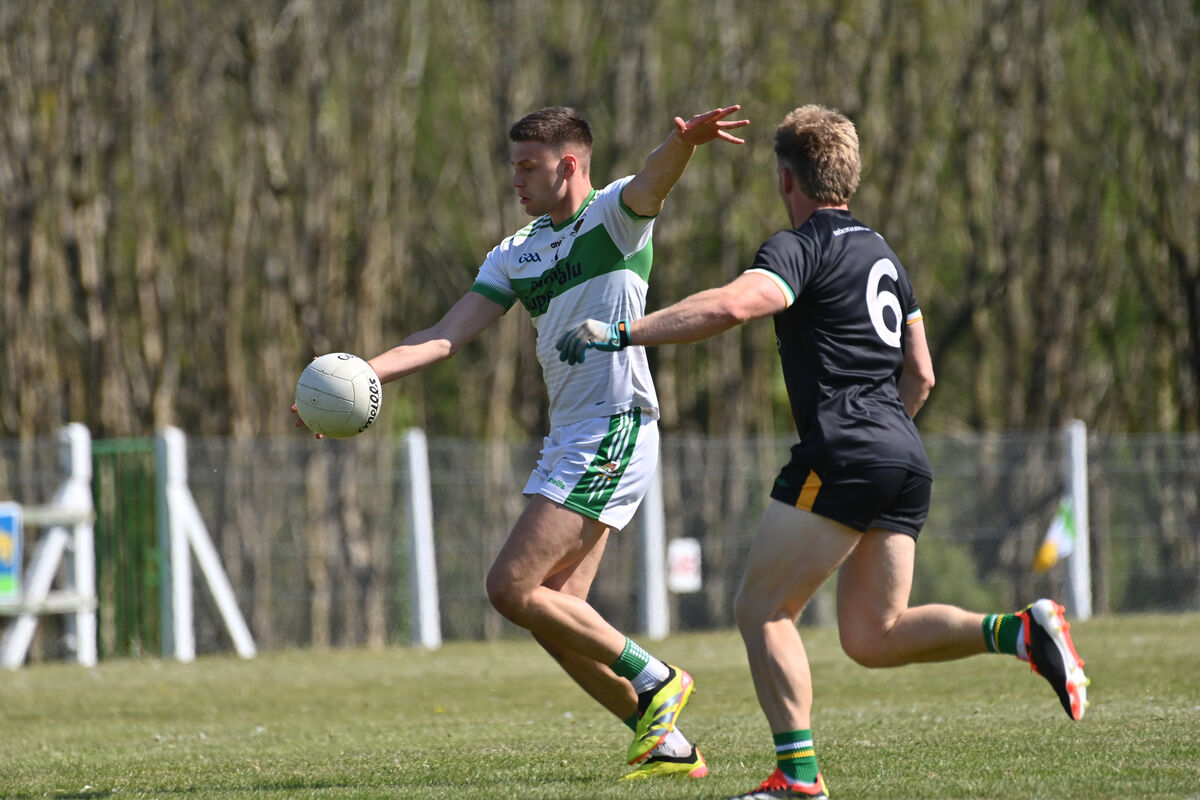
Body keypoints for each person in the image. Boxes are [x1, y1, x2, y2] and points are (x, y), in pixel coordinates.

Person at [556, 104, 1090, 799]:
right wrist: (885, 430)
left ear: (786, 179)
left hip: (844, 448)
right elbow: (921, 373)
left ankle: (798, 778)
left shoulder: (799, 245)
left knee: (762, 610)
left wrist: (621, 333)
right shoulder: (885, 255)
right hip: (903, 452)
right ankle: (1021, 631)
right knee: (874, 634)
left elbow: (734, 306)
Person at [298, 104, 749, 779]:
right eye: (514, 166)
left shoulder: (615, 219)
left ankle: (656, 677)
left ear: (570, 165)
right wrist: (365, 373)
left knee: (509, 587)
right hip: (573, 434)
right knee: (554, 612)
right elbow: (446, 335)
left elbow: (655, 180)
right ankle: (661, 740)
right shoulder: (516, 252)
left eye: (528, 166)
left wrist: (681, 143)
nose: (516, 179)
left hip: (614, 424)